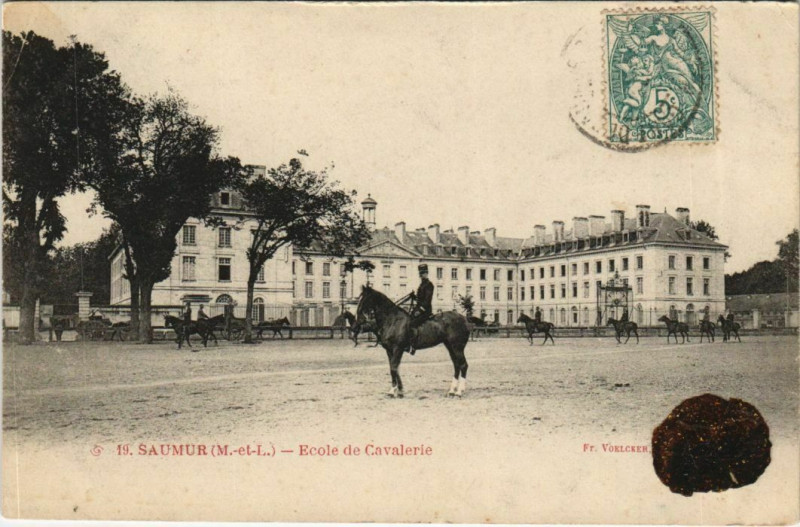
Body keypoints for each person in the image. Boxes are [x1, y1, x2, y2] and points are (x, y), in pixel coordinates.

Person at [407, 264, 435, 355]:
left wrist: (420, 311)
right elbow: (420, 300)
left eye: (423, 273)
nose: (422, 275)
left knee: (412, 324)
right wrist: (414, 297)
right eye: (421, 273)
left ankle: (413, 345)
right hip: (419, 308)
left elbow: (427, 301)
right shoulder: (422, 284)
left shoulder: (429, 285)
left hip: (425, 310)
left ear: (427, 273)